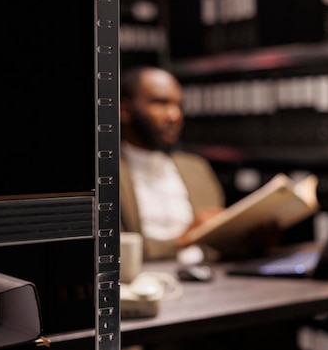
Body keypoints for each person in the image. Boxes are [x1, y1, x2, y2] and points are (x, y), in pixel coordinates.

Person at [119, 65, 280, 262]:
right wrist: (186, 238)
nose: (174, 116)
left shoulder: (196, 168)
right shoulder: (106, 174)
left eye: (179, 106)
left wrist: (248, 241)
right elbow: (114, 252)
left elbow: (216, 245)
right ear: (125, 110)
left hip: (209, 281)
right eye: (160, 103)